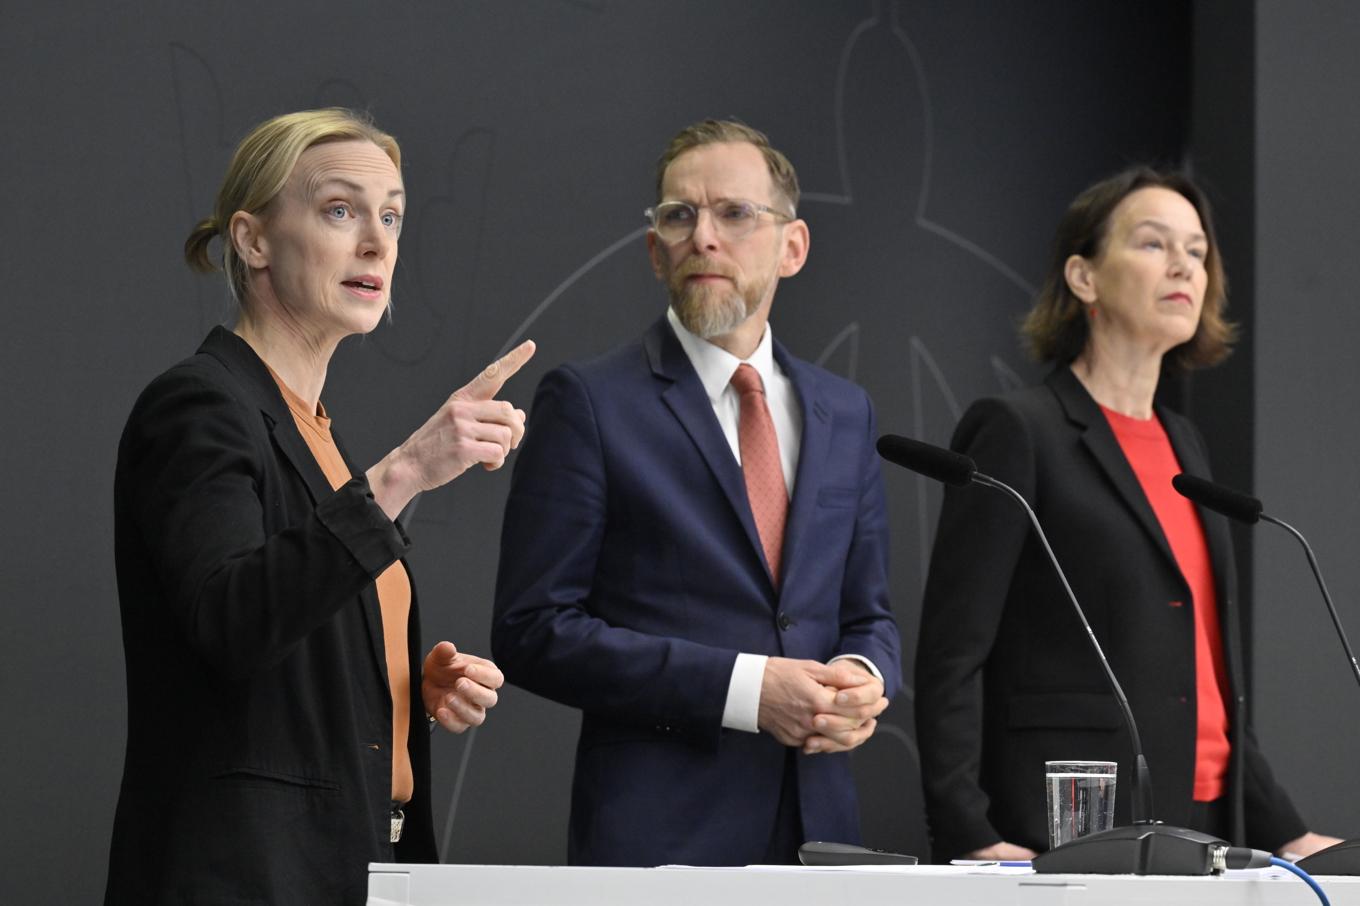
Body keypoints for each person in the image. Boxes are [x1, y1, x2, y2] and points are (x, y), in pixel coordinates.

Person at [105, 108, 535, 904]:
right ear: (253, 240)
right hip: (248, 878)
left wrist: (403, 689)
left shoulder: (320, 438)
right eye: (341, 210)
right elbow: (230, 622)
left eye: (393, 216)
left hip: (354, 863)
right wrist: (404, 471)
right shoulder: (199, 406)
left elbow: (290, 625)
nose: (377, 242)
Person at [491, 119, 902, 867]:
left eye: (735, 214)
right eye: (679, 216)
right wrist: (747, 691)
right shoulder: (589, 401)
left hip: (825, 836)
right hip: (658, 841)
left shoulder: (847, 412)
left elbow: (868, 615)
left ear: (793, 246)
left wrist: (864, 680)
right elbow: (534, 630)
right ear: (655, 251)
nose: (703, 237)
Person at [913, 167, 1340, 862]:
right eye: (1153, 244)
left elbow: (1207, 678)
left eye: (1198, 252)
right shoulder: (1018, 430)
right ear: (1083, 278)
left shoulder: (1186, 445)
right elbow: (951, 656)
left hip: (1205, 826)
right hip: (1073, 831)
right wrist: (970, 835)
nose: (1183, 267)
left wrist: (1285, 830)